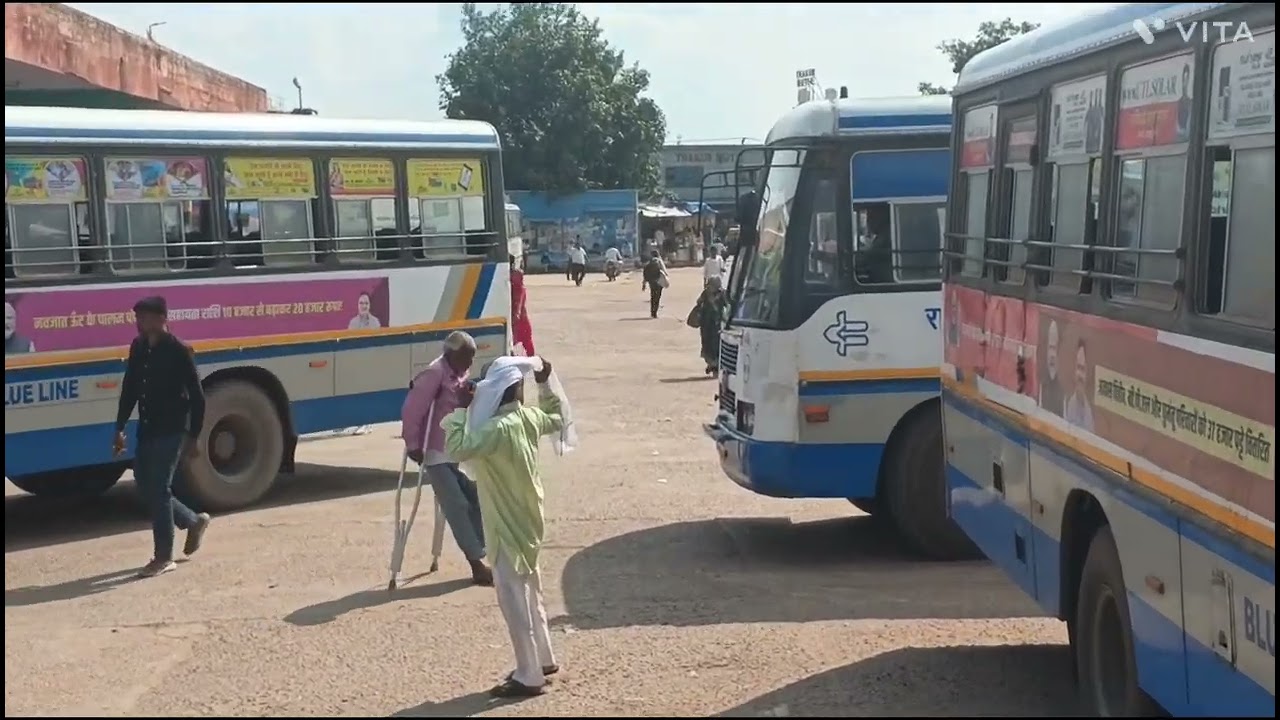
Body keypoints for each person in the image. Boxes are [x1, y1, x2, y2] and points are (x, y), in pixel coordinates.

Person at [443, 356, 564, 698]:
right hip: (530, 518)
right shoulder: (528, 418)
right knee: (532, 586)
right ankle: (544, 657)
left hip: (505, 524)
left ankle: (528, 674)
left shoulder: (495, 431)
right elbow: (557, 417)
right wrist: (545, 383)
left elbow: (455, 448)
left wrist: (459, 409)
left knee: (512, 595)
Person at [112, 296, 212, 578]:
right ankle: (192, 521)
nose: (138, 323)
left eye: (142, 318)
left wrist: (194, 436)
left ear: (160, 319)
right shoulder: (139, 347)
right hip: (148, 427)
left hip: (172, 429)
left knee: (159, 488)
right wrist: (119, 427)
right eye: (136, 318)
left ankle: (163, 557)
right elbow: (130, 387)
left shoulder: (178, 350)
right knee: (144, 483)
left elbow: (197, 397)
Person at [400, 331, 493, 586]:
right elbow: (412, 410)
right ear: (452, 354)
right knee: (457, 504)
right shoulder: (434, 373)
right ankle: (476, 564)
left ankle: (484, 550)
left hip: (456, 450)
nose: (470, 364)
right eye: (467, 357)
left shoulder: (459, 373)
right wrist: (413, 444)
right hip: (435, 453)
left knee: (476, 498)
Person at [695, 277, 728, 375]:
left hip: (711, 323)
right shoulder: (720, 293)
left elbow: (698, 302)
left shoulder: (710, 293)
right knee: (709, 343)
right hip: (709, 323)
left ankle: (714, 364)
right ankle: (712, 364)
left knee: (712, 343)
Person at [510, 254, 536, 356]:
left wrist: (517, 311)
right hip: (517, 314)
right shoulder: (516, 275)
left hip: (516, 314)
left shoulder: (514, 276)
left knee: (525, 340)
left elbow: (520, 294)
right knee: (526, 340)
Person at [641, 250, 668, 319]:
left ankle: (652, 312)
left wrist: (644, 284)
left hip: (651, 281)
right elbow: (665, 271)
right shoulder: (659, 261)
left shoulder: (649, 262)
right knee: (657, 297)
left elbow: (645, 273)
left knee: (653, 296)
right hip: (659, 281)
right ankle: (655, 312)